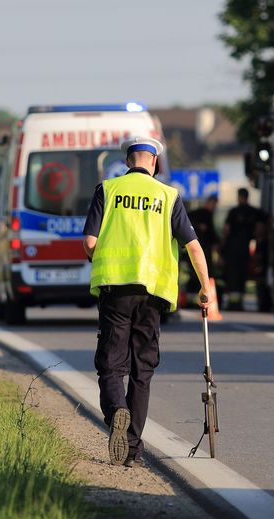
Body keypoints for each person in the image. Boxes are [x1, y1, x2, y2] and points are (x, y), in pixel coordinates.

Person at [83, 136, 211, 468]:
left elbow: (89, 243)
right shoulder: (169, 197)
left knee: (110, 366)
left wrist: (103, 257)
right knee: (143, 371)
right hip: (153, 295)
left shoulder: (107, 191)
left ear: (128, 162)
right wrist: (204, 288)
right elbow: (193, 247)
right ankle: (133, 451)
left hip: (115, 291)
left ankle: (116, 413)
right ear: (154, 162)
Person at [220, 187, 266, 311]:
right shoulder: (255, 212)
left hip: (232, 249)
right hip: (245, 249)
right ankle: (239, 303)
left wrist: (222, 248)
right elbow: (260, 230)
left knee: (232, 276)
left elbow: (226, 230)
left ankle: (233, 303)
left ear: (239, 197)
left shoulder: (233, 212)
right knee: (242, 275)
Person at [189, 194, 219, 292]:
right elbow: (211, 233)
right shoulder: (206, 214)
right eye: (214, 204)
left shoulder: (195, 213)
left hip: (193, 246)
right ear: (209, 203)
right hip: (203, 248)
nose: (214, 208)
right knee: (204, 271)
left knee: (194, 273)